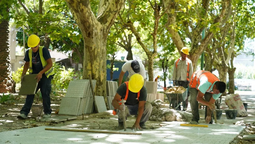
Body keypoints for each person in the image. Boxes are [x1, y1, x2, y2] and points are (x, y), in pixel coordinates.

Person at [17, 34, 54, 119]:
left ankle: (47, 113)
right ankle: (24, 113)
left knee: (45, 93)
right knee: (30, 93)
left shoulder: (44, 50)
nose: (33, 48)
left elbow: (50, 64)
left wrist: (41, 73)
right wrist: (23, 74)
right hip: (34, 74)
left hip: (46, 75)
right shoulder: (28, 52)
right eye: (32, 47)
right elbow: (26, 64)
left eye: (35, 46)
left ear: (39, 43)